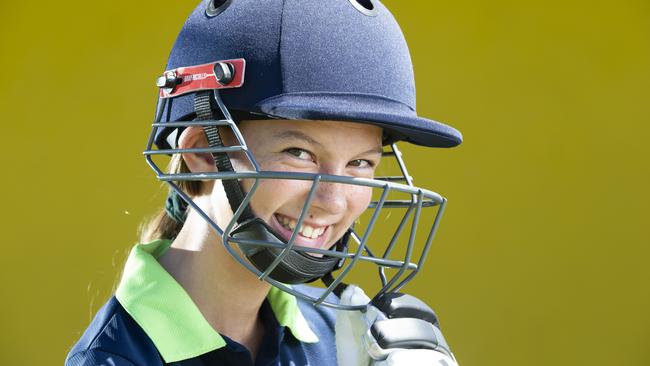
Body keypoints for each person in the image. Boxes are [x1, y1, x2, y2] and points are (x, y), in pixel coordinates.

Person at [66, 0, 463, 365]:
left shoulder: (344, 338)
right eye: (299, 154)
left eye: (359, 162)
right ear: (204, 151)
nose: (333, 201)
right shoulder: (116, 358)